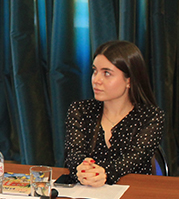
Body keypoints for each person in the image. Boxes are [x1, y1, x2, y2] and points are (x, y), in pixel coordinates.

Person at [64, 40, 164, 186]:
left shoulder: (151, 117)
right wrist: (83, 168)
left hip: (134, 192)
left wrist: (103, 173)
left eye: (107, 73)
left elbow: (133, 160)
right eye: (95, 71)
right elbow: (73, 155)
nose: (96, 80)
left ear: (129, 81)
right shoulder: (80, 110)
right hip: (86, 190)